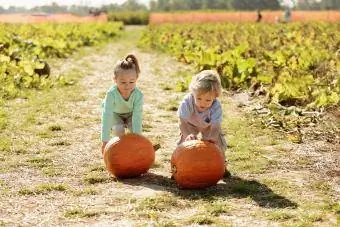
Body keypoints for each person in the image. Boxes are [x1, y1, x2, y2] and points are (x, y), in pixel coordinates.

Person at [177, 70, 230, 177]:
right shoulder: (187, 102)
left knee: (219, 144)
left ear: (215, 97)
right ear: (193, 93)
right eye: (199, 98)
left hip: (209, 126)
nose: (202, 103)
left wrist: (212, 138)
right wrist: (188, 135)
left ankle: (221, 165)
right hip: (190, 124)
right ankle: (178, 167)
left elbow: (216, 126)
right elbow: (182, 121)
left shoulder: (216, 107)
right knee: (184, 143)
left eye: (207, 100)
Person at [101, 54, 143, 154]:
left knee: (135, 131)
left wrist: (139, 140)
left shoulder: (138, 95)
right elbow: (107, 115)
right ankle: (120, 151)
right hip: (115, 114)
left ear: (136, 79)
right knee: (118, 130)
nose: (127, 86)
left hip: (130, 114)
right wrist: (105, 140)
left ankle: (134, 150)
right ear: (115, 80)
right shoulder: (111, 94)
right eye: (123, 82)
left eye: (131, 82)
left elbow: (137, 117)